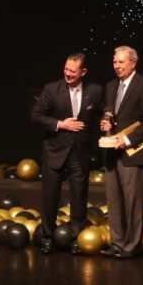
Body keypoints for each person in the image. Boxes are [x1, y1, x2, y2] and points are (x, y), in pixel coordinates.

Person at [31, 52, 103, 252]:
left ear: (83, 72)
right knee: (50, 197)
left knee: (79, 197)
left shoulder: (95, 91)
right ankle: (47, 237)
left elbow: (103, 110)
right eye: (66, 69)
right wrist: (61, 124)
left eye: (73, 70)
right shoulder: (51, 89)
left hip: (80, 152)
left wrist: (106, 118)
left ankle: (76, 238)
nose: (68, 74)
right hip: (54, 151)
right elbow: (36, 115)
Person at [99, 45, 143, 258]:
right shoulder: (111, 86)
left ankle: (132, 246)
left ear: (133, 63)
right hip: (112, 152)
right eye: (114, 62)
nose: (116, 66)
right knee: (114, 201)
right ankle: (118, 243)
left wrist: (127, 140)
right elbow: (109, 110)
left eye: (121, 62)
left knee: (133, 202)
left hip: (133, 154)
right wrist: (106, 121)